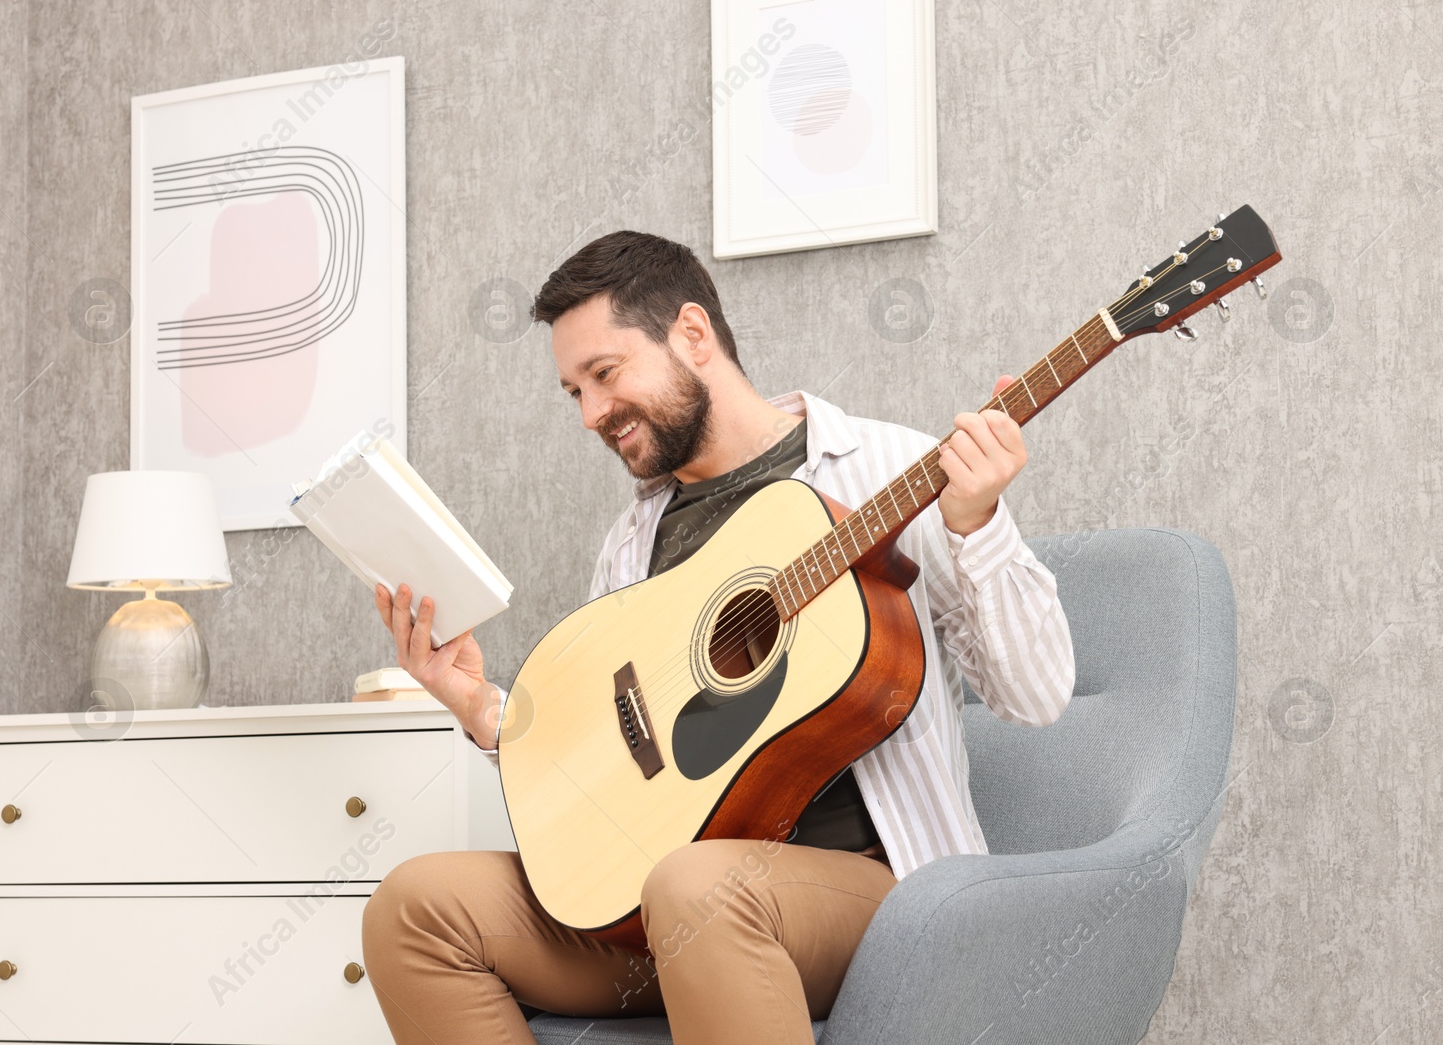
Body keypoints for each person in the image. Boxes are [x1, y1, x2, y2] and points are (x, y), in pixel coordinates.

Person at [361, 231, 1076, 1044]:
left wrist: (977, 527)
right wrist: (483, 711)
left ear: (692, 336)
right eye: (574, 393)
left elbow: (1038, 694)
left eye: (605, 373)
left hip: (875, 893)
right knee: (413, 907)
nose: (593, 413)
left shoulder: (896, 469)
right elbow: (615, 761)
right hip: (665, 900)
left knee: (696, 885)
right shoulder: (632, 540)